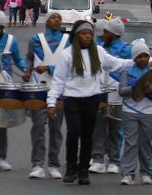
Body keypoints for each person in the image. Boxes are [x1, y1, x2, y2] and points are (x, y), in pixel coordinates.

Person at [46, 20, 132, 184]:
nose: (87, 37)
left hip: (92, 99)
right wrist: (51, 102)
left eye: (90, 34)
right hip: (72, 99)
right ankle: (71, 168)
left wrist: (142, 61)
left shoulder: (98, 51)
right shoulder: (67, 54)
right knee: (74, 133)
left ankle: (83, 171)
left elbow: (117, 64)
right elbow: (58, 80)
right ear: (77, 36)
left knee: (87, 136)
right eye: (84, 33)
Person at [0, 12, 27, 171]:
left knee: (2, 121)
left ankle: (0, 157)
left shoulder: (11, 41)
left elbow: (18, 59)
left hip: (5, 84)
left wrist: (25, 70)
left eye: (0, 27)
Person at [27, 12, 68, 179]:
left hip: (59, 90)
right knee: (38, 126)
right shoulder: (35, 40)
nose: (56, 20)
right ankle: (37, 164)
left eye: (59, 18)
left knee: (56, 128)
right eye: (53, 17)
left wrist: (49, 68)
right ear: (46, 21)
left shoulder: (67, 41)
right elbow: (29, 59)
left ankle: (53, 164)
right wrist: (27, 71)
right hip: (38, 88)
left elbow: (69, 67)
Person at [119, 40, 152, 185]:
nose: (142, 59)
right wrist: (134, 87)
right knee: (130, 143)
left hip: (148, 112)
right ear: (134, 58)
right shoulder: (127, 72)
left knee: (145, 144)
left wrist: (150, 91)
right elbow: (121, 91)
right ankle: (127, 174)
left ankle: (146, 172)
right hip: (129, 110)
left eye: (145, 56)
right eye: (139, 56)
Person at [91, 18, 130, 174]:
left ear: (114, 34)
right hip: (99, 92)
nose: (103, 34)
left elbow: (129, 68)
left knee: (115, 128)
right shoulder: (98, 47)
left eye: (106, 32)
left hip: (117, 93)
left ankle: (114, 160)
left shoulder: (126, 49)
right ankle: (98, 159)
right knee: (98, 127)